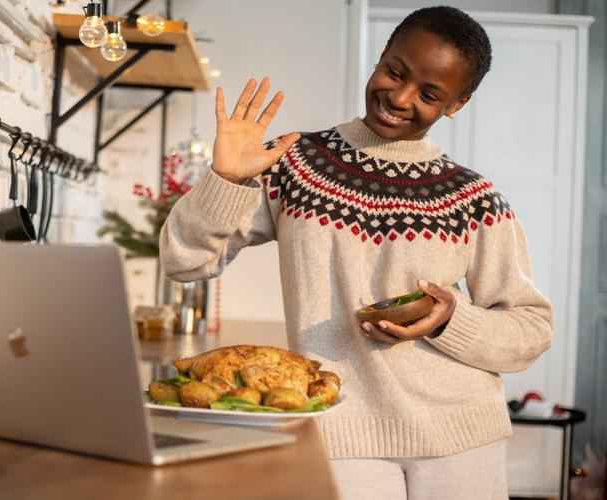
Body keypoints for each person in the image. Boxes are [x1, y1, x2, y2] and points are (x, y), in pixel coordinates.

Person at [159, 6, 552, 500]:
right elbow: (184, 261)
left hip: (461, 436)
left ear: (457, 104)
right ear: (380, 57)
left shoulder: (473, 197)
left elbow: (531, 328)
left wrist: (451, 319)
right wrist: (228, 180)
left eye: (430, 94)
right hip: (340, 432)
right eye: (395, 71)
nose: (401, 97)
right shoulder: (294, 164)